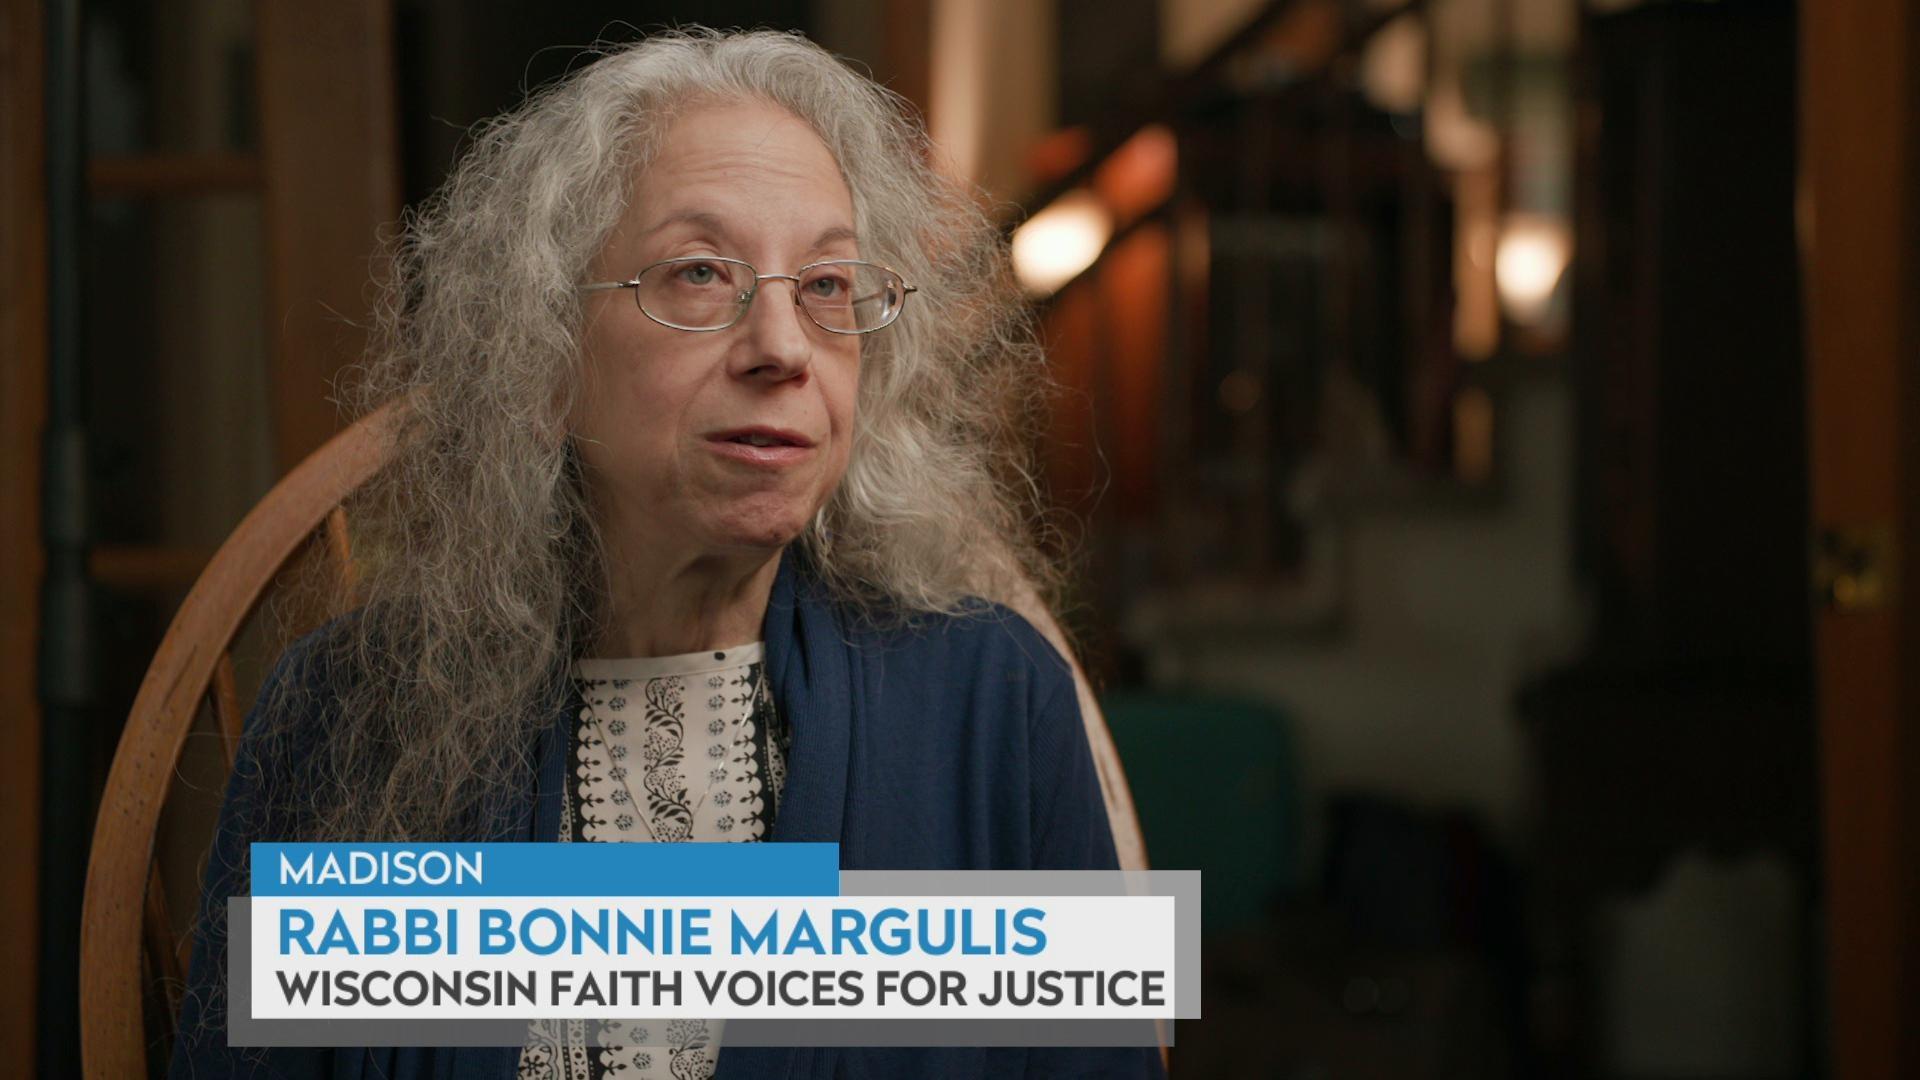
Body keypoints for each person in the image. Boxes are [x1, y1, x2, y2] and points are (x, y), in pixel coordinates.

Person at [170, 27, 1164, 1080]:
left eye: (827, 286)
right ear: (543, 355)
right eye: (700, 273)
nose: (782, 347)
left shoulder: (997, 702)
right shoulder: (347, 713)